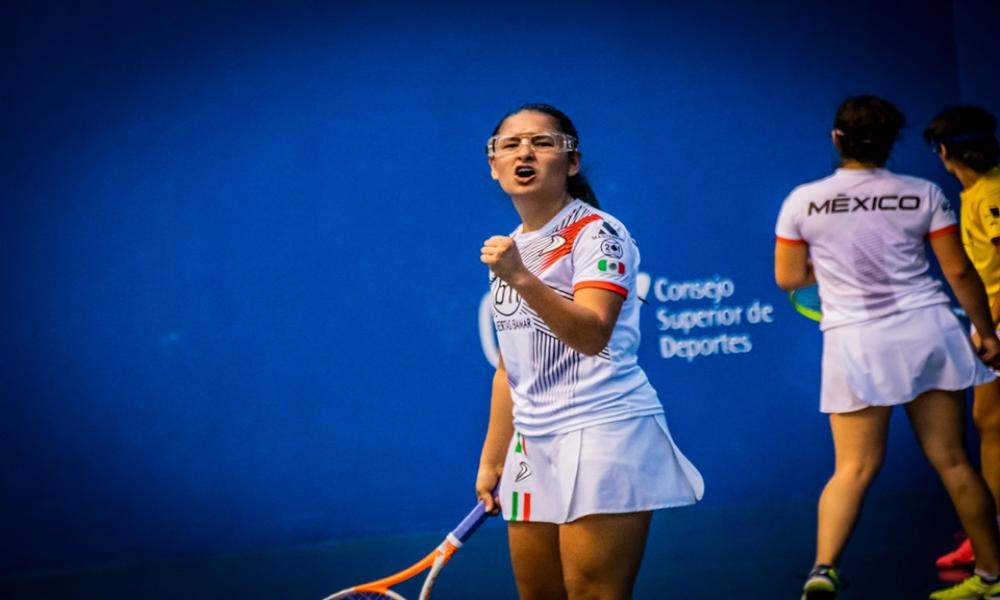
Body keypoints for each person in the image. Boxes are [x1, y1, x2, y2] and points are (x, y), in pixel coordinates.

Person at [774, 95, 1000, 600]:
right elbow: (959, 271)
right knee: (953, 460)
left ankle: (823, 570)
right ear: (892, 141)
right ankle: (992, 578)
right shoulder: (924, 192)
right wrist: (986, 334)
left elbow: (787, 277)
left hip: (856, 342)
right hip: (927, 333)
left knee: (852, 468)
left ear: (838, 139)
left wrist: (834, 266)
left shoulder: (803, 201)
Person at [475, 103, 704, 599]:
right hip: (532, 445)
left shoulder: (599, 233)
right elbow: (509, 369)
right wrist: (493, 457)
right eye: (511, 144)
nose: (524, 152)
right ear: (494, 166)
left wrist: (520, 278)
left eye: (542, 142)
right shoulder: (513, 245)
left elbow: (593, 334)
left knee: (593, 595)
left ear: (572, 162)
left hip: (604, 430)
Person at [925, 106, 1000, 572]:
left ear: (944, 152)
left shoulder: (990, 194)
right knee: (989, 423)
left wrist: (989, 328)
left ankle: (990, 537)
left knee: (989, 422)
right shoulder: (976, 194)